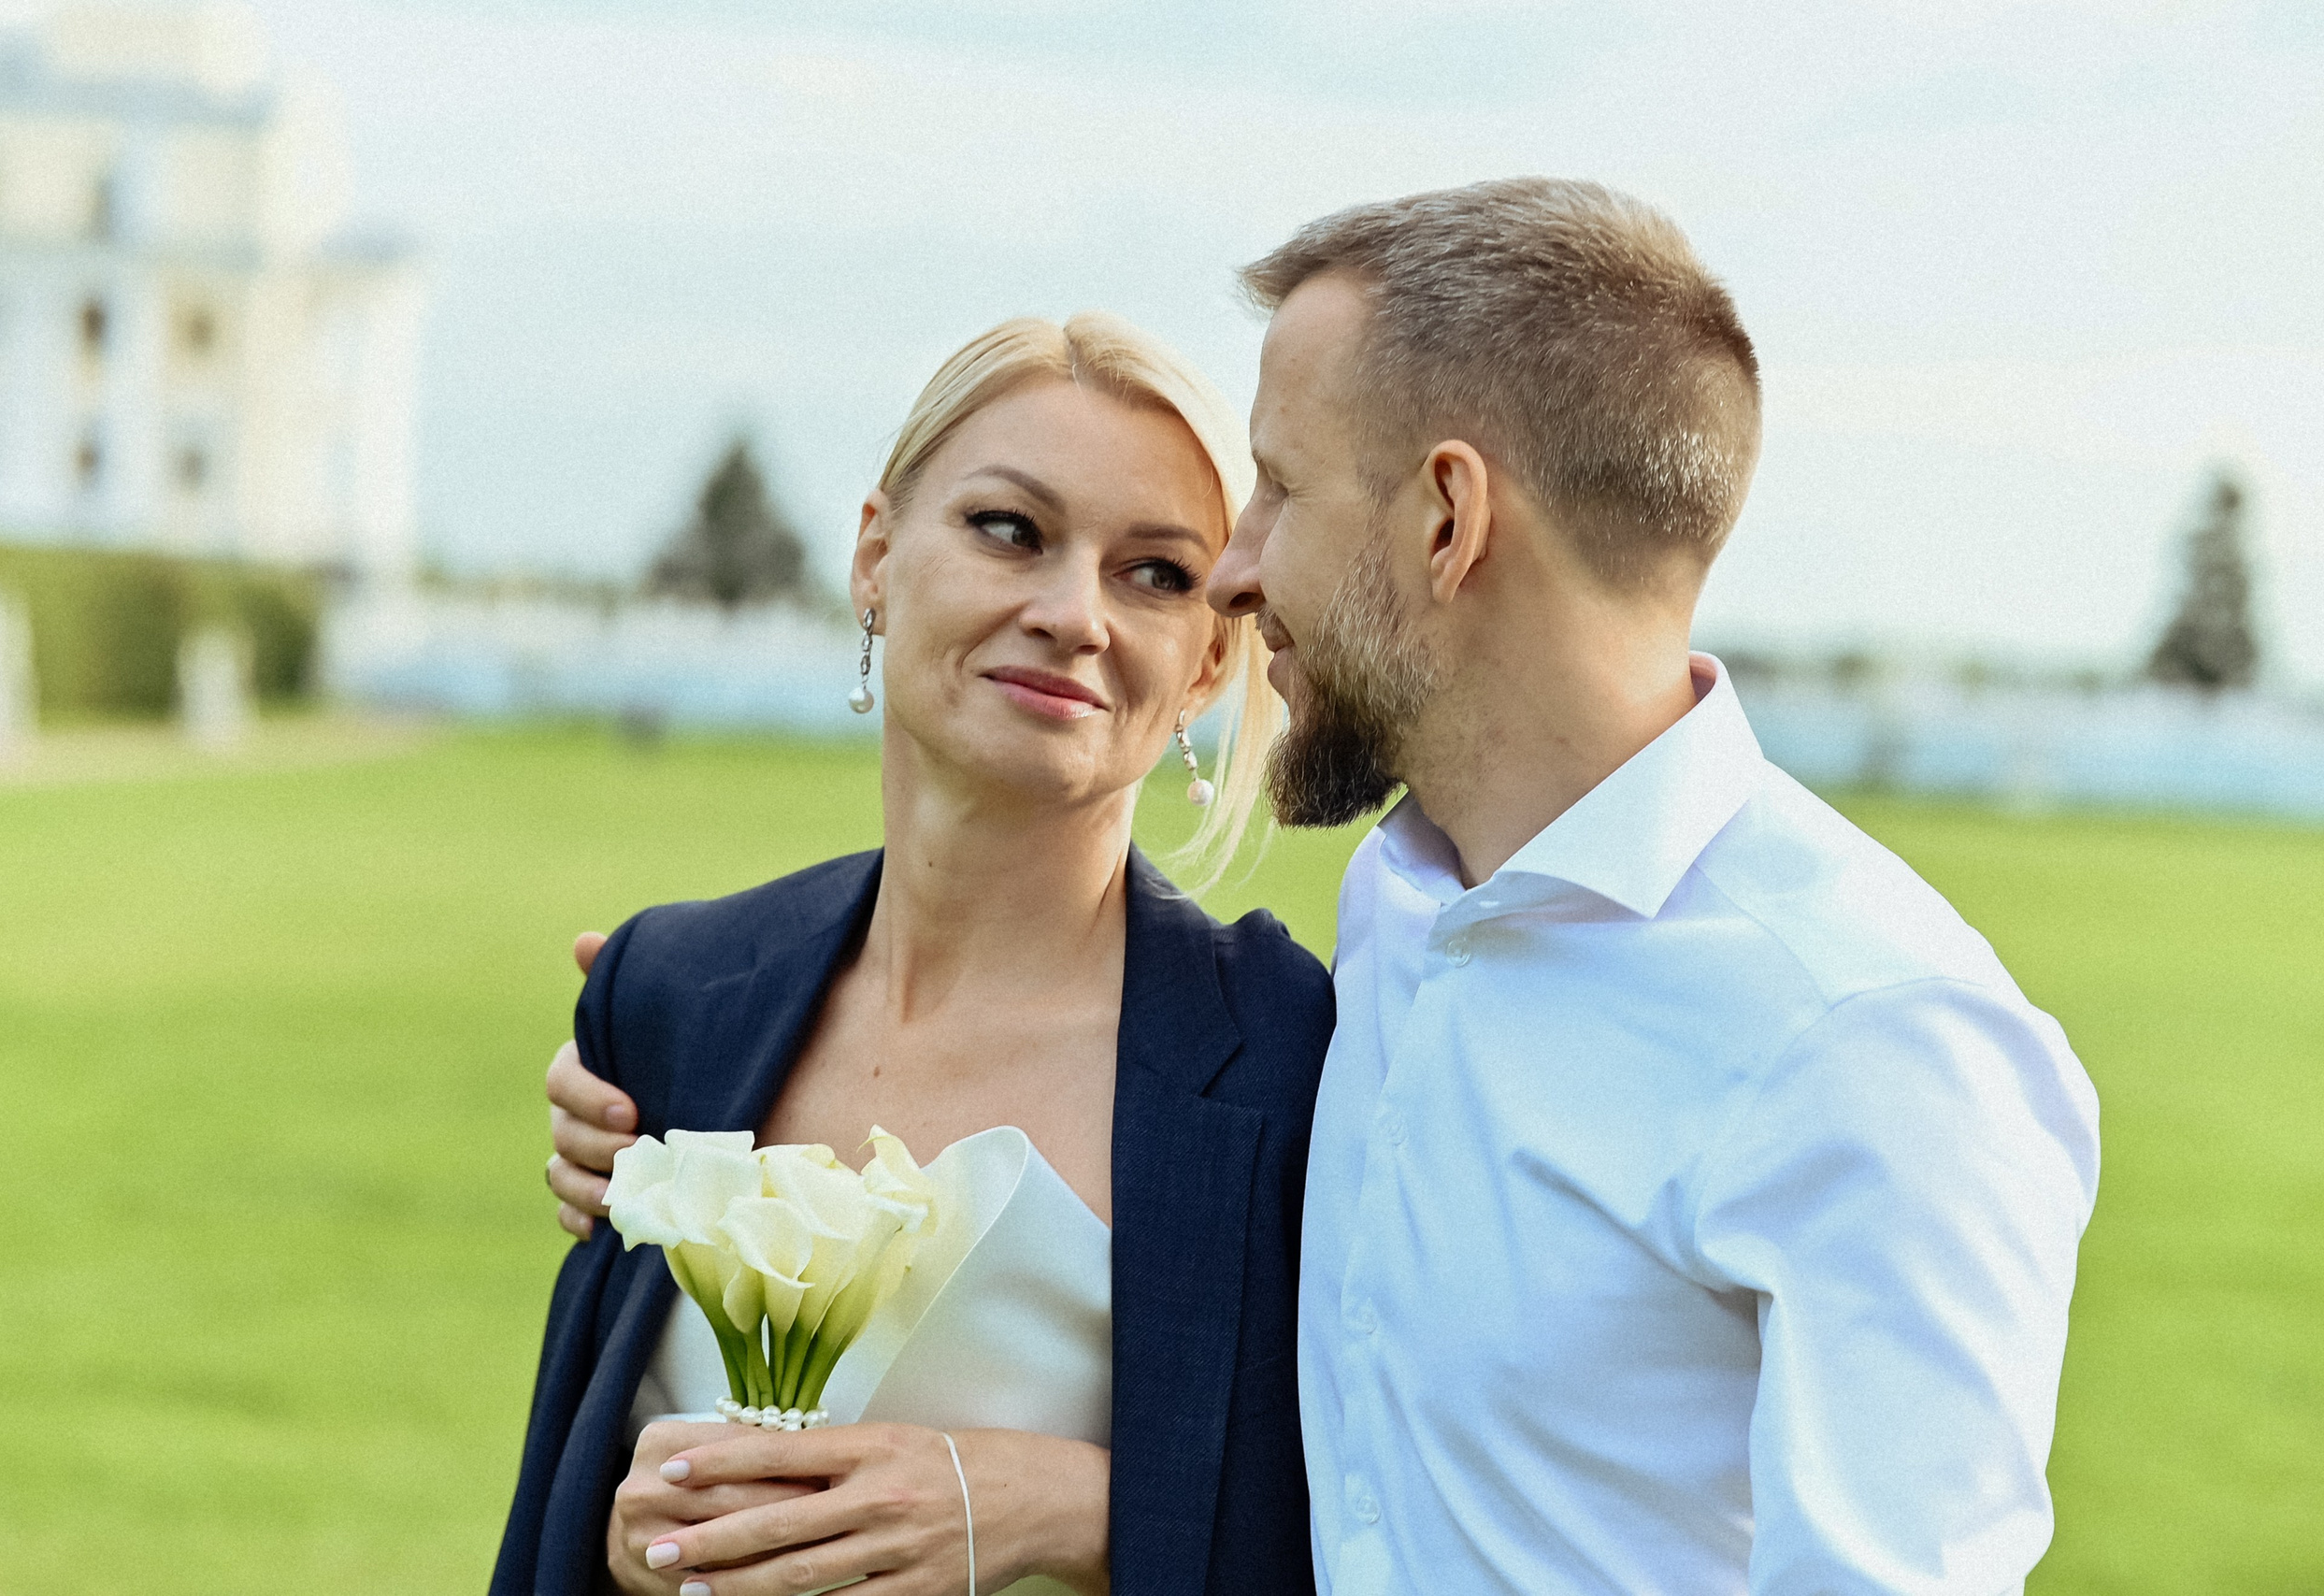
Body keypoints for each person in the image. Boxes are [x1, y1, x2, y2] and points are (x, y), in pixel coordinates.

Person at [555, 178, 2102, 1593]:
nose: (1239, 572)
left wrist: (1052, 1506)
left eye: (1276, 495)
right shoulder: (1402, 929)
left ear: (1448, 517)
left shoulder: (1870, 1034)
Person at [496, 313, 1332, 1596]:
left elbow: (1398, 1521)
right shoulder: (669, 999)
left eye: (1154, 574)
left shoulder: (1286, 1060)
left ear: (1213, 656)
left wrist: (1083, 1510)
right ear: (877, 558)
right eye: (1011, 530)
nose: (1072, 614)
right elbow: (565, 1519)